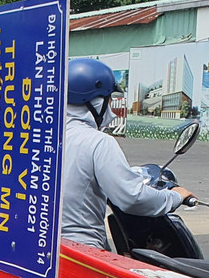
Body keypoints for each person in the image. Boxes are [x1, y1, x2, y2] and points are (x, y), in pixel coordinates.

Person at [60, 57, 192, 249]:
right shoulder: (98, 142)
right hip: (81, 250)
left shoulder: (39, 137)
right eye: (109, 100)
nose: (111, 110)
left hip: (40, 248)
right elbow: (132, 198)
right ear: (94, 100)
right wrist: (175, 197)